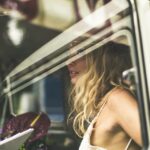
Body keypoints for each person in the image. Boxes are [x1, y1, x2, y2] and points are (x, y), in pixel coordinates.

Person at [67, 41, 142, 150]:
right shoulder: (105, 104)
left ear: (102, 59)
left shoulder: (118, 99)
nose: (69, 62)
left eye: (80, 52)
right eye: (69, 56)